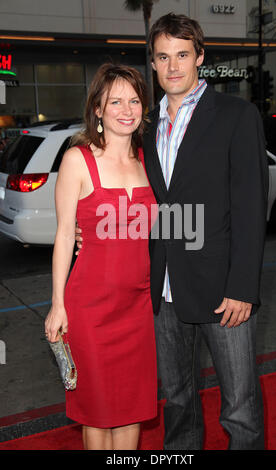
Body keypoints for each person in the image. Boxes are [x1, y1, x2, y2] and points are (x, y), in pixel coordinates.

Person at [76, 13, 269, 450]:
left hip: (225, 292)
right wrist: (86, 234)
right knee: (178, 403)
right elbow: (126, 200)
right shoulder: (140, 128)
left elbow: (250, 207)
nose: (173, 66)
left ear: (200, 57)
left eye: (183, 55)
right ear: (154, 63)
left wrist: (243, 287)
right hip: (159, 290)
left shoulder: (237, 115)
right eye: (163, 57)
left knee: (240, 409)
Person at [44, 63, 158, 450]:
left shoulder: (149, 160)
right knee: (97, 413)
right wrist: (57, 305)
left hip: (138, 306)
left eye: (134, 100)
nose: (126, 109)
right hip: (90, 309)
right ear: (98, 108)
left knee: (132, 409)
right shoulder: (78, 159)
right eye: (115, 101)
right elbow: (63, 235)